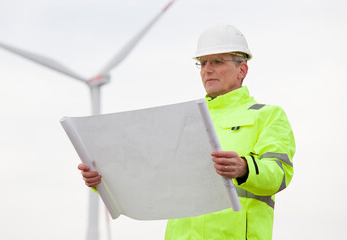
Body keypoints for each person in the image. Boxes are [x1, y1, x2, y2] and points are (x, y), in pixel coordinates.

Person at [78, 23, 295, 240]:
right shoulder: (185, 121)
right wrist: (102, 180)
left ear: (242, 69)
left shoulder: (268, 115)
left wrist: (245, 168)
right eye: (202, 63)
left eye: (217, 61)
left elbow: (279, 174)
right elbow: (153, 180)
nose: (207, 69)